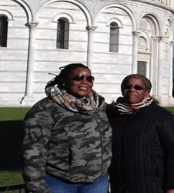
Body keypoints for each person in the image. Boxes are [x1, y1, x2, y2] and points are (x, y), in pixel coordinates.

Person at [21, 63, 112, 193]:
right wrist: (36, 188)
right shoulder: (45, 109)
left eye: (89, 78)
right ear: (64, 80)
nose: (84, 82)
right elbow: (32, 152)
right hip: (60, 183)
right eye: (78, 77)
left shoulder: (100, 107)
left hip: (97, 182)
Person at [107, 74, 174, 193]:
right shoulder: (112, 114)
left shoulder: (161, 116)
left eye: (138, 87)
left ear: (146, 92)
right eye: (127, 86)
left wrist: (173, 186)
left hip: (151, 184)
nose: (132, 90)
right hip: (119, 183)